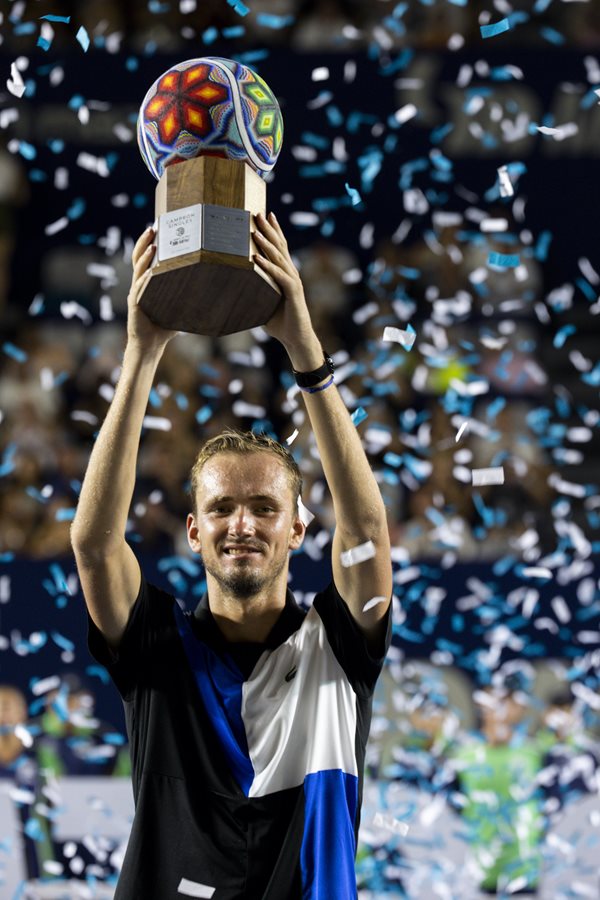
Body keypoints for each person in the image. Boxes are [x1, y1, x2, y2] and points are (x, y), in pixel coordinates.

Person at [70, 211, 393, 899]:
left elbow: (366, 527)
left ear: (299, 529)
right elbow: (94, 545)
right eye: (220, 508)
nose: (241, 524)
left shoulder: (337, 646)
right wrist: (142, 353)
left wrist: (304, 348)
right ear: (193, 530)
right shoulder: (155, 643)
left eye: (264, 508)